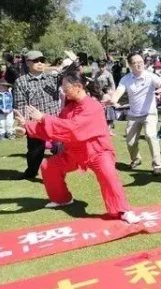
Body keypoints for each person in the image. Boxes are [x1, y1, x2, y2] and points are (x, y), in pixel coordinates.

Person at [13, 68, 140, 224]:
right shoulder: (69, 108)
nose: (63, 91)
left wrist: (44, 118)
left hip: (97, 152)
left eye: (66, 88)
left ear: (78, 87)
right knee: (49, 166)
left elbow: (72, 128)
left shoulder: (92, 107)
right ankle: (62, 199)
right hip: (73, 153)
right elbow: (55, 128)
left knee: (109, 175)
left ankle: (122, 210)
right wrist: (26, 127)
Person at [106, 52, 161, 176]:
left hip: (149, 114)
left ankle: (157, 165)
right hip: (134, 115)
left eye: (141, 62)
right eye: (135, 63)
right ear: (130, 65)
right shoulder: (126, 79)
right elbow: (119, 92)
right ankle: (136, 159)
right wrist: (113, 100)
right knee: (130, 141)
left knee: (151, 136)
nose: (139, 65)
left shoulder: (151, 76)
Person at [12, 51, 60, 180]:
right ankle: (31, 172)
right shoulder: (21, 82)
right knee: (35, 152)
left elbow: (73, 77)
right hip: (35, 124)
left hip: (54, 120)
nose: (40, 63)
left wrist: (75, 63)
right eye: (36, 60)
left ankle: (59, 171)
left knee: (61, 148)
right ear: (27, 62)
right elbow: (20, 105)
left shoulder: (53, 78)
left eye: (42, 60)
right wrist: (23, 125)